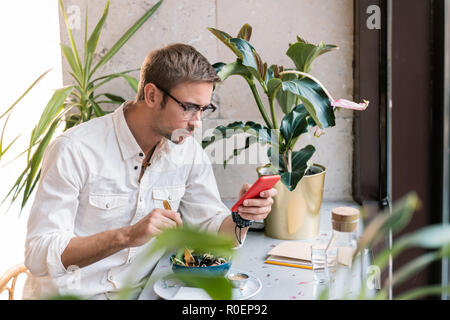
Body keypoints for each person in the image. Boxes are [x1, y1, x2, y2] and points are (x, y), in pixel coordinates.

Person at [23, 43, 277, 299]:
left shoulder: (187, 152)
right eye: (188, 107)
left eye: (203, 109)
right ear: (152, 95)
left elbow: (213, 232)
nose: (196, 124)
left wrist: (242, 217)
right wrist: (126, 236)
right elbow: (38, 253)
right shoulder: (74, 150)